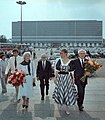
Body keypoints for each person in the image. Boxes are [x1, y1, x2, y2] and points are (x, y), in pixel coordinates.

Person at [52, 49, 77, 115]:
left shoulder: (71, 62)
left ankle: (67, 108)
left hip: (67, 78)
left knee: (67, 92)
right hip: (60, 78)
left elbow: (72, 72)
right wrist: (55, 78)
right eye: (60, 53)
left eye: (62, 53)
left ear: (66, 54)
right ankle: (60, 102)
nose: (61, 54)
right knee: (60, 91)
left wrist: (73, 79)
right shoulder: (59, 60)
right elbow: (57, 70)